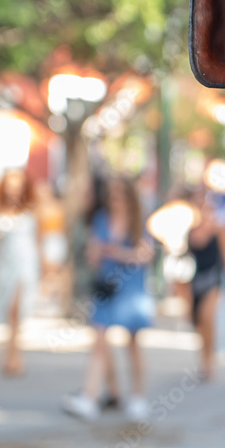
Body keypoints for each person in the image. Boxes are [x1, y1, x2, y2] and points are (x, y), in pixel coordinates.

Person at [62, 177, 155, 421]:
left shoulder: (139, 221)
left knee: (132, 343)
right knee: (100, 340)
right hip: (106, 287)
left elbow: (146, 255)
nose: (115, 200)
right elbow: (93, 254)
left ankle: (137, 396)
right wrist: (95, 253)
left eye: (120, 194)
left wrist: (117, 252)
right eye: (112, 195)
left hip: (132, 288)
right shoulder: (102, 219)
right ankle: (90, 396)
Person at [0, 169, 39, 377]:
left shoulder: (31, 212)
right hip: (5, 266)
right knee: (8, 310)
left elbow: (39, 240)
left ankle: (14, 354)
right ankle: (9, 351)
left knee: (16, 309)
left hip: (25, 265)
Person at [183, 188, 225, 381]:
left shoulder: (220, 227)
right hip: (193, 279)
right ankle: (203, 360)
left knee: (207, 317)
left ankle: (209, 363)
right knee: (197, 322)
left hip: (213, 278)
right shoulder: (188, 227)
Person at [34, 182, 70, 311]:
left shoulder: (59, 206)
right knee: (47, 269)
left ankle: (53, 294)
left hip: (57, 239)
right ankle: (48, 294)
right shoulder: (38, 209)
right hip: (47, 240)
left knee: (55, 269)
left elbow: (65, 226)